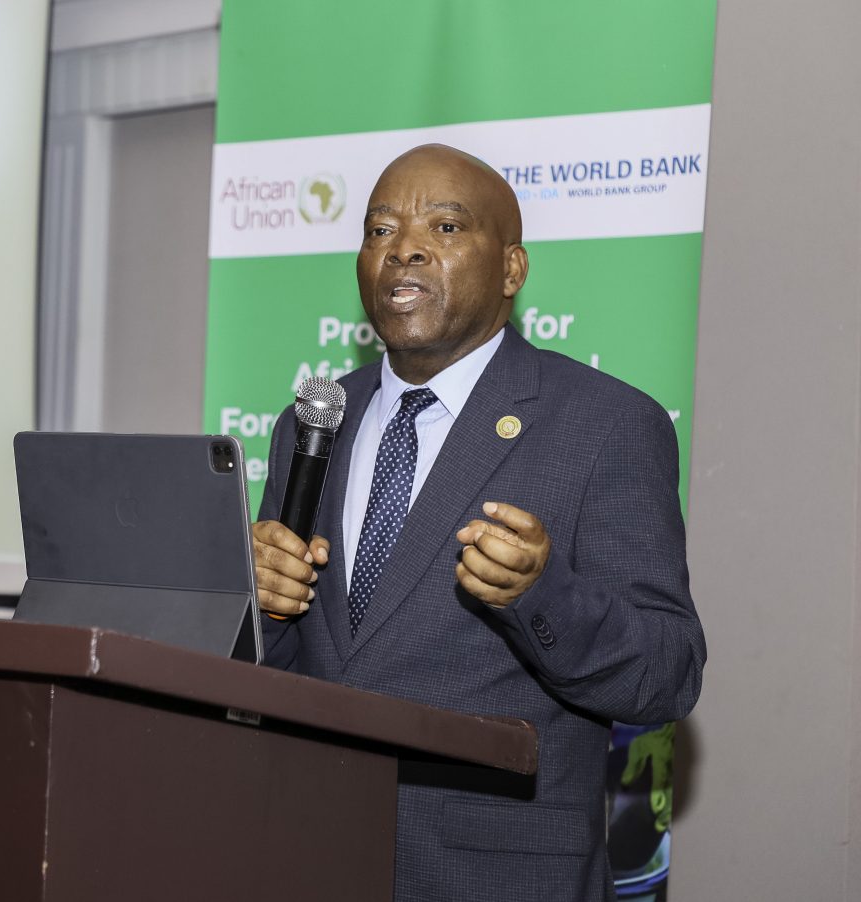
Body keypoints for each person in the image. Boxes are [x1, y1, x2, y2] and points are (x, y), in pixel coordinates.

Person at [253, 144, 705, 902]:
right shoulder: (314, 419)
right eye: (379, 229)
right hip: (313, 851)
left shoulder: (605, 424)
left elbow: (667, 674)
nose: (403, 248)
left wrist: (541, 595)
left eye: (446, 227)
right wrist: (259, 602)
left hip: (496, 874)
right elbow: (294, 665)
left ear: (512, 270)